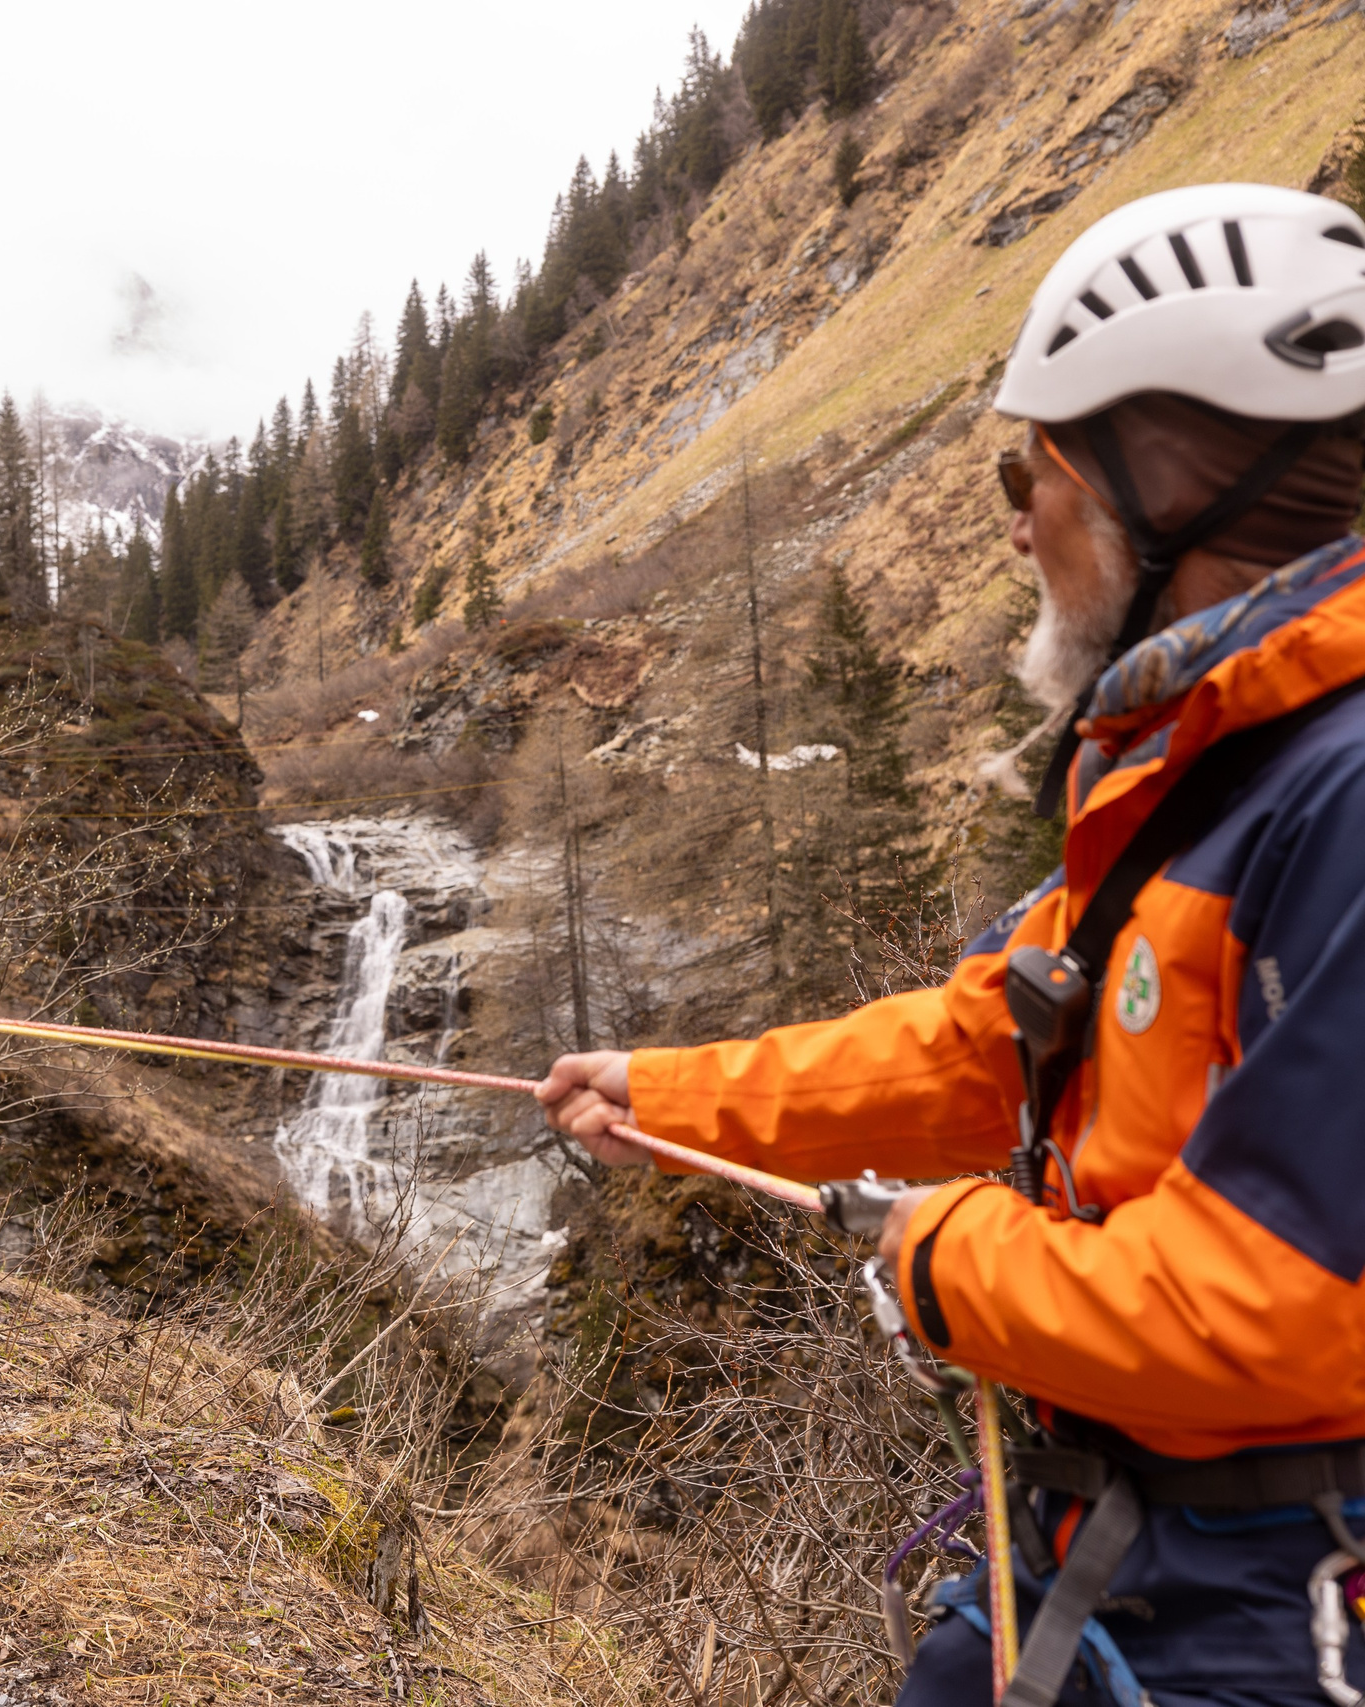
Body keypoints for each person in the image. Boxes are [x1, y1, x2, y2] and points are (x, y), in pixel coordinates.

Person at [535, 183, 1365, 1707]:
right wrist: (667, 1095)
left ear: (1159, 483)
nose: (1011, 518)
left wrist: (938, 1251)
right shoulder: (1214, 770)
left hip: (1277, 1615)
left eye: (1027, 469)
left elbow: (1281, 1305)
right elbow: (988, 1037)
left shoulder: (1339, 792)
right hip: (1123, 1549)